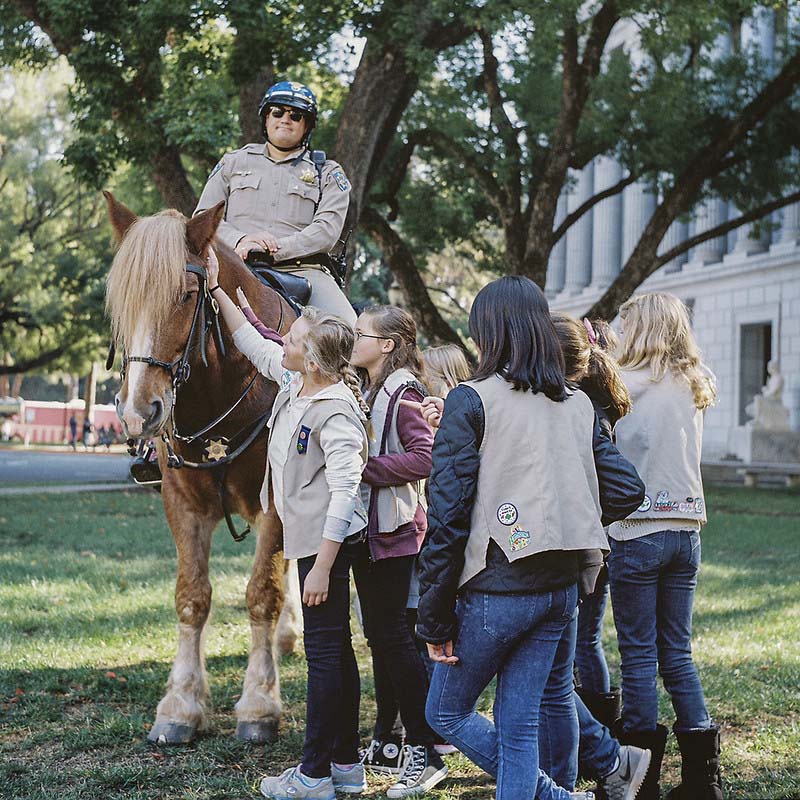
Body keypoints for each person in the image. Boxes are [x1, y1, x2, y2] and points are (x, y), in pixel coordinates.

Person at [416, 276, 646, 800]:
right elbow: (627, 490)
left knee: (444, 711)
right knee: (519, 727)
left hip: (497, 591)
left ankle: (556, 797)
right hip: (561, 591)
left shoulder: (471, 401)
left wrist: (432, 617)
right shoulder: (578, 404)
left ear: (489, 334)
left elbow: (446, 521)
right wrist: (572, 509)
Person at [206, 249, 370, 800]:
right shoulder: (297, 384)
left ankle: (315, 774)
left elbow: (348, 491)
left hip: (329, 544)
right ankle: (345, 766)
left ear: (315, 360)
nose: (285, 344)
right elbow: (252, 340)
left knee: (325, 658)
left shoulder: (336, 411)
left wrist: (321, 567)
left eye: (294, 341)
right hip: (309, 539)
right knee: (335, 653)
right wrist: (218, 291)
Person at [609, 292, 722, 800]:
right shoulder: (693, 384)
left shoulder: (622, 386)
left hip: (637, 529)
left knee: (637, 656)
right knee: (677, 651)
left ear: (640, 328)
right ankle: (704, 779)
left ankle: (642, 778)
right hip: (686, 529)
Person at [348, 306, 446, 798]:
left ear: (387, 344)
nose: (353, 339)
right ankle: (390, 743)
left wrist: (361, 468)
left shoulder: (403, 391)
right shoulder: (371, 388)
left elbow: (424, 456)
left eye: (361, 333)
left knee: (394, 638)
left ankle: (424, 749)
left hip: (396, 533)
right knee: (383, 637)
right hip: (373, 533)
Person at [194, 80, 356, 326]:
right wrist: (241, 240)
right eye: (277, 112)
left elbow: (326, 231)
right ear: (266, 118)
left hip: (303, 272)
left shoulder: (329, 173)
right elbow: (203, 216)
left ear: (307, 125)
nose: (285, 119)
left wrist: (275, 247)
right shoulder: (233, 162)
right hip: (230, 264)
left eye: (296, 115)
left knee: (348, 331)